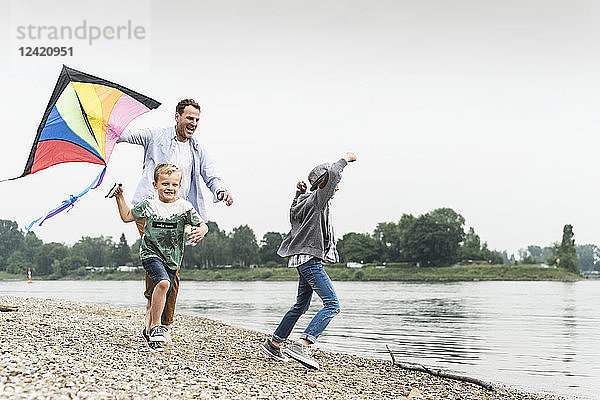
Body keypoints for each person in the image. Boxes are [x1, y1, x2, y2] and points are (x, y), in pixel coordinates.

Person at [113, 99, 233, 344]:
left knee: (173, 270)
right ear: (177, 117)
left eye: (197, 120)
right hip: (150, 210)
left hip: (179, 215)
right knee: (154, 259)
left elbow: (211, 175)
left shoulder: (197, 149)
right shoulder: (155, 136)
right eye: (190, 118)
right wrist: (105, 123)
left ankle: (161, 321)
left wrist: (220, 191)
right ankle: (154, 321)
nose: (194, 123)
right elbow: (125, 135)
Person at [260, 152, 357, 369]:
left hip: (302, 260)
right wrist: (345, 159)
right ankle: (303, 343)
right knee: (332, 305)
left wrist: (298, 193)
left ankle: (274, 343)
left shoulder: (307, 202)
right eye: (335, 184)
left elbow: (293, 212)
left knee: (301, 305)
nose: (337, 187)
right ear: (323, 184)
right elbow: (332, 173)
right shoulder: (319, 200)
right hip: (310, 261)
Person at [112, 163, 208, 352]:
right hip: (150, 254)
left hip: (172, 258)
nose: (169, 188)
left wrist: (202, 231)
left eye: (173, 185)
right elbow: (127, 216)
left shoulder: (184, 207)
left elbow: (202, 224)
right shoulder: (149, 204)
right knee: (163, 283)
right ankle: (156, 327)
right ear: (155, 185)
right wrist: (120, 197)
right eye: (165, 184)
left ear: (179, 187)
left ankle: (152, 329)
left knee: (166, 289)